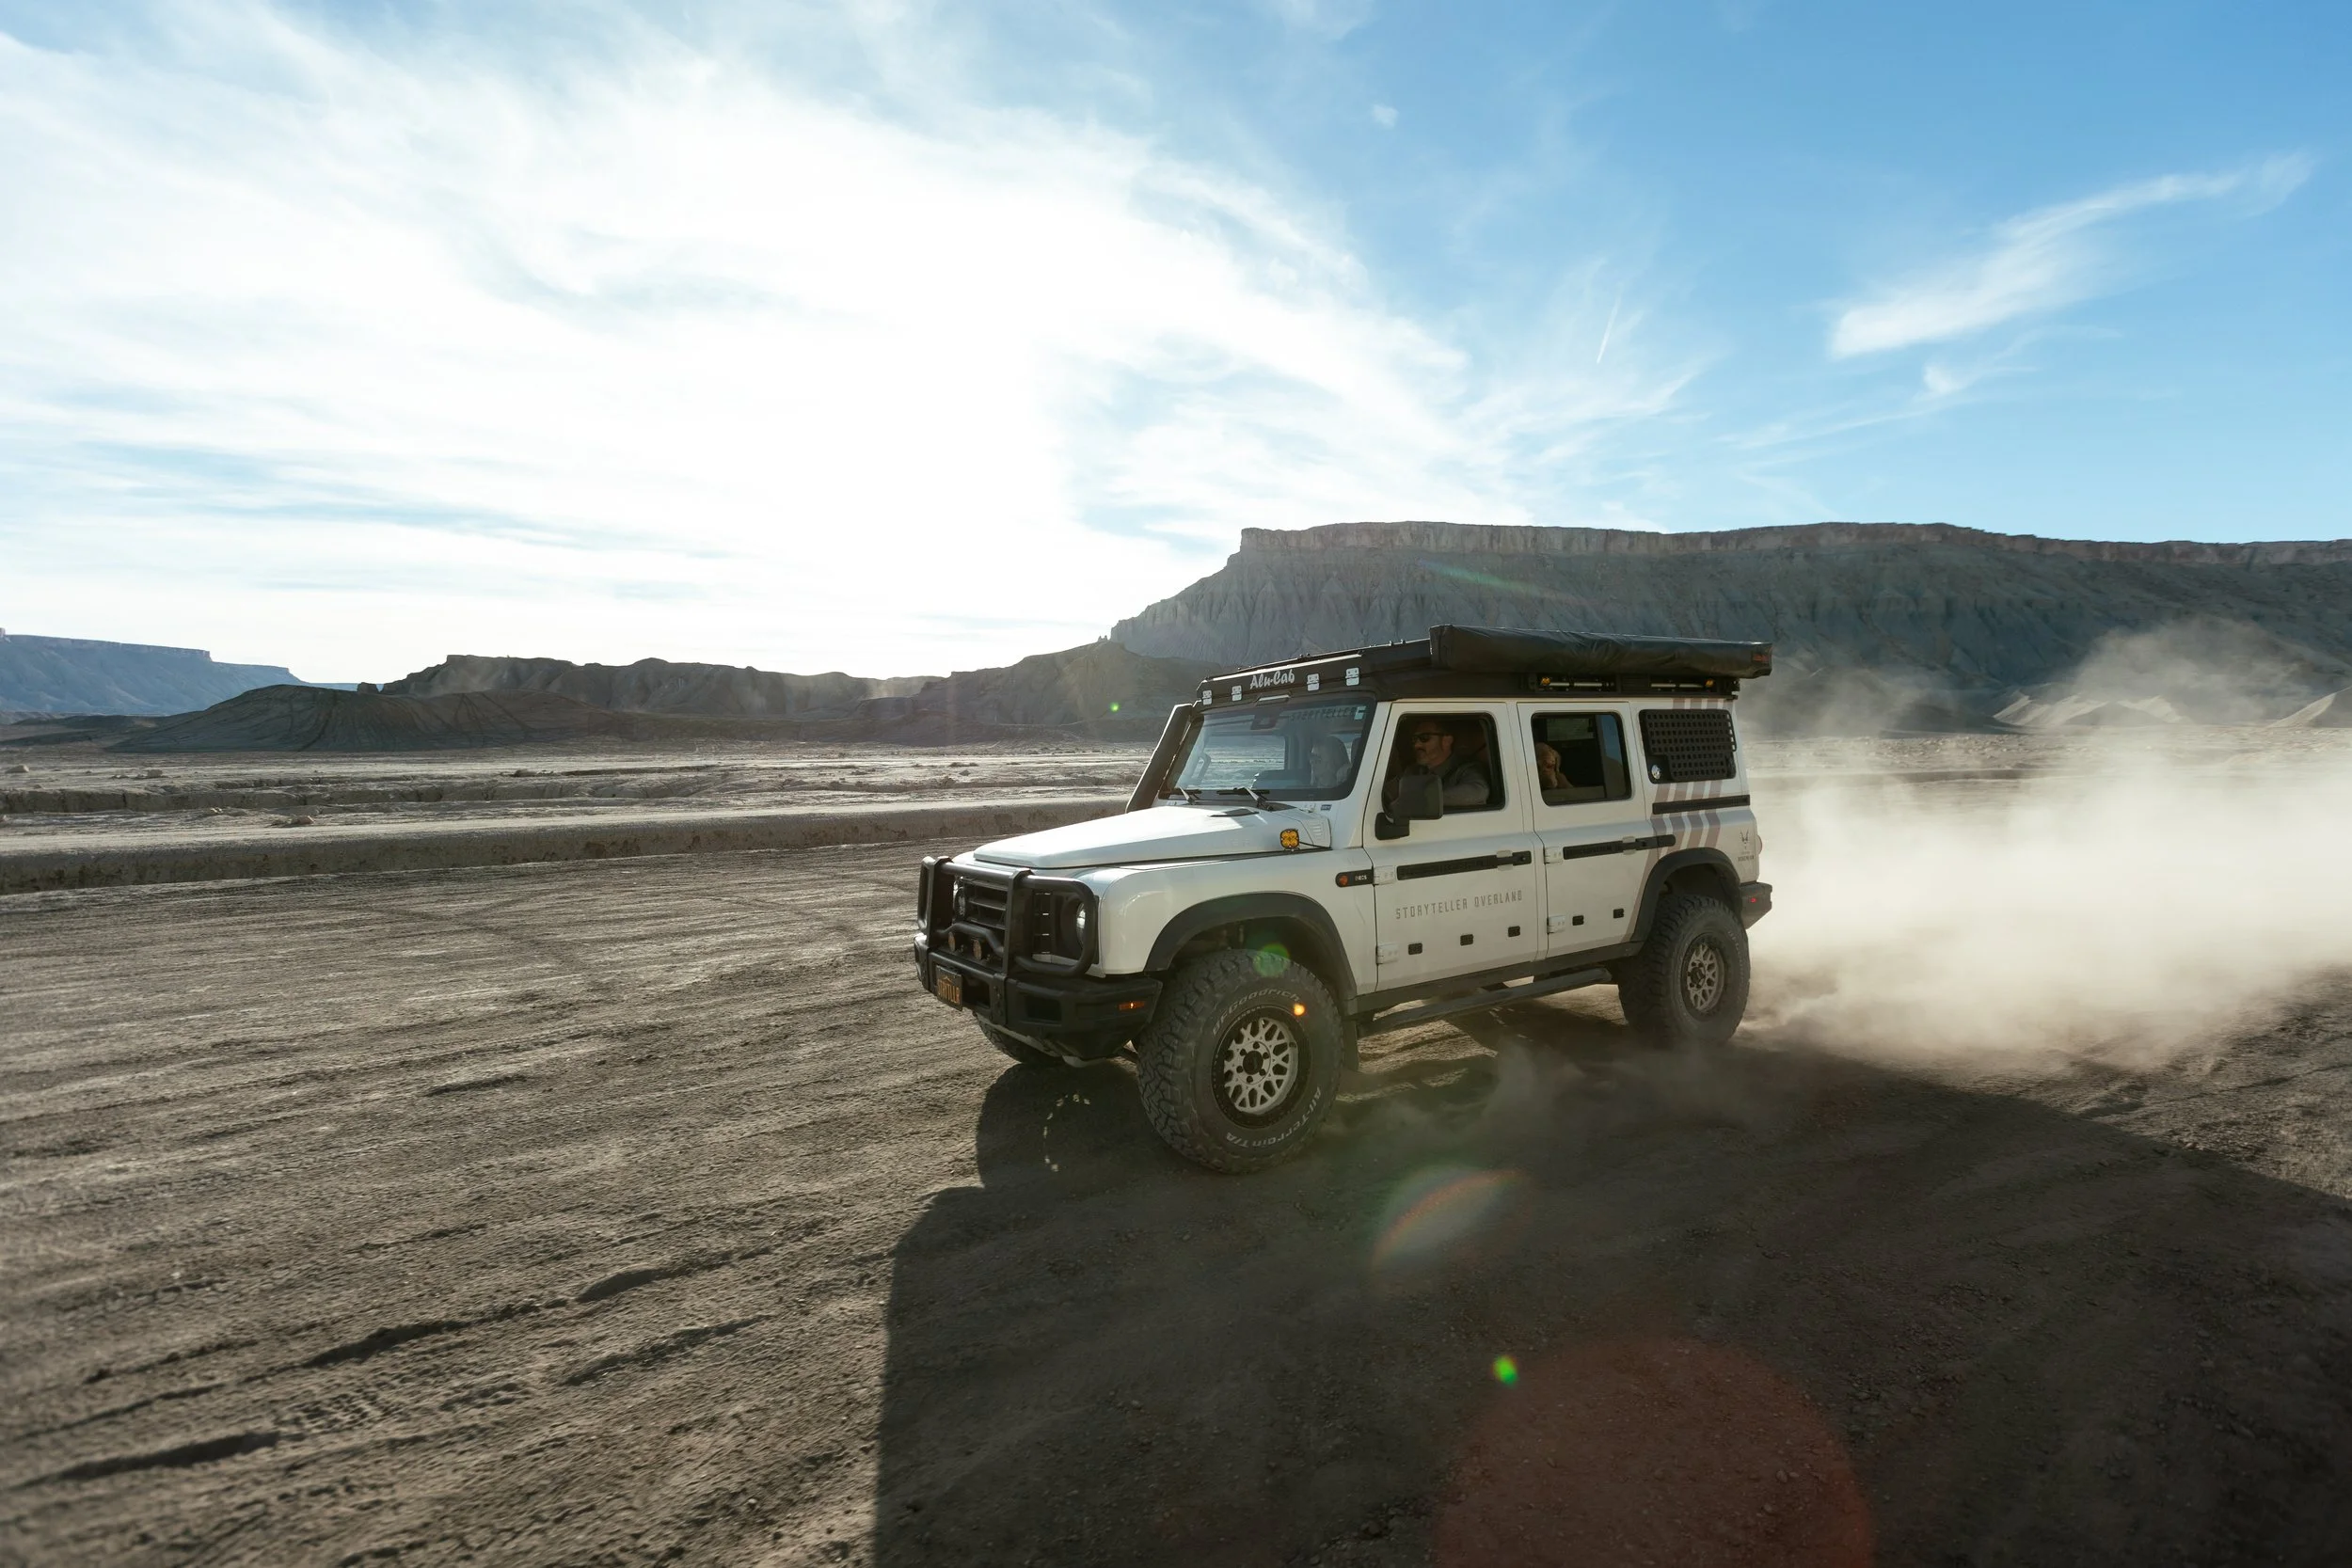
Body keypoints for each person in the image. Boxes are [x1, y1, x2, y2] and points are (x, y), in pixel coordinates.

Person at [1393, 720, 1490, 809]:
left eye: (1425, 738)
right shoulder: (1413, 770)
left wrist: (1425, 799)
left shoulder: (1466, 769)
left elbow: (1478, 791)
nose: (1416, 745)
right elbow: (1387, 793)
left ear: (1446, 741)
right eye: (1414, 739)